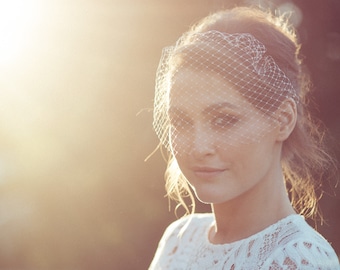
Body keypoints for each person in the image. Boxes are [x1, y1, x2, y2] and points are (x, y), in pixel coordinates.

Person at [149, 6, 339, 269]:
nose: (198, 146)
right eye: (181, 121)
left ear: (282, 120)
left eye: (224, 120)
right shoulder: (180, 240)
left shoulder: (297, 260)